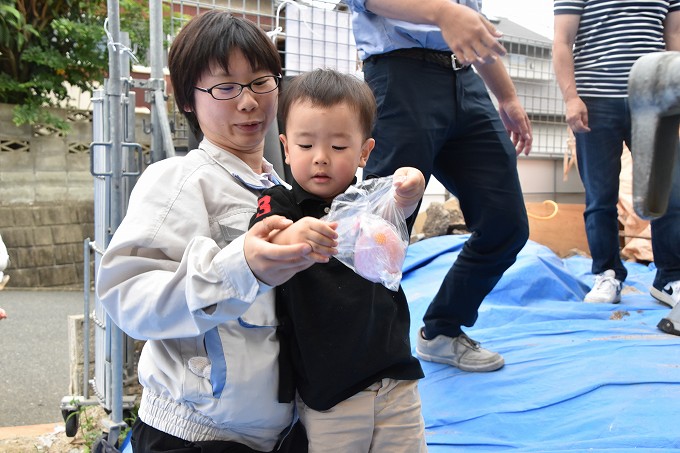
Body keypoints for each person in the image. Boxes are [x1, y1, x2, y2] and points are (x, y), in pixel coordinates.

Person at [95, 11, 330, 453]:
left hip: (280, 434)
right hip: (195, 434)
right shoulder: (181, 179)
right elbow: (127, 297)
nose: (248, 101)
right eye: (225, 87)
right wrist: (242, 265)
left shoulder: (282, 190)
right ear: (188, 99)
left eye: (262, 81)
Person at [343, 0, 533, 372]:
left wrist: (507, 97)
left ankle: (442, 329)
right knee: (382, 233)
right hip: (399, 74)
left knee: (505, 224)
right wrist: (442, 13)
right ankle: (359, 353)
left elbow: (472, 30)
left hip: (466, 78)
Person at [250, 68, 427, 452]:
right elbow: (262, 240)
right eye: (306, 144)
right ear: (284, 146)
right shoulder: (280, 202)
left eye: (339, 147)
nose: (321, 159)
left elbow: (400, 210)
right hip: (329, 391)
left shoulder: (368, 201)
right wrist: (294, 235)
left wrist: (412, 188)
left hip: (394, 377)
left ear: (365, 151)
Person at [553, 1, 680, 310]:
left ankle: (670, 278)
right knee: (600, 196)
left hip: (655, 96)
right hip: (596, 98)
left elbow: (674, 35)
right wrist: (571, 98)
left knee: (670, 192)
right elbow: (562, 41)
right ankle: (607, 273)